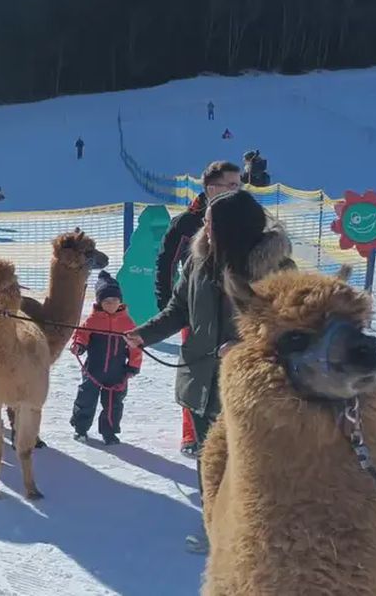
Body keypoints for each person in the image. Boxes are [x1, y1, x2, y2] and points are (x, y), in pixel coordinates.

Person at [126, 189, 294, 554]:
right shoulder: (199, 262)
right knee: (211, 458)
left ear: (233, 228)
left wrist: (247, 348)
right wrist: (144, 335)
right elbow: (177, 310)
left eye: (210, 222)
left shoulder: (277, 270)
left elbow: (293, 330)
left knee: (250, 460)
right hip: (201, 380)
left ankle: (253, 533)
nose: (203, 226)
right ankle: (215, 526)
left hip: (251, 388)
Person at [154, 160, 240, 458]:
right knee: (197, 373)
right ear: (210, 188)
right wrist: (168, 307)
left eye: (238, 185)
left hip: (234, 313)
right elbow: (165, 264)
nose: (237, 190)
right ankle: (191, 434)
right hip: (196, 308)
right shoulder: (187, 224)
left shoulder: (245, 219)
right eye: (231, 185)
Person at [69, 272, 142, 445]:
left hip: (117, 372)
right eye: (107, 302)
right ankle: (80, 429)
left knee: (113, 404)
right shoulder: (93, 320)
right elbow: (81, 336)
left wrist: (133, 366)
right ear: (100, 302)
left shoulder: (128, 323)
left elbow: (136, 347)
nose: (111, 305)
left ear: (120, 302)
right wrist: (79, 345)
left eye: (115, 301)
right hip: (93, 370)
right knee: (86, 399)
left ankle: (109, 432)